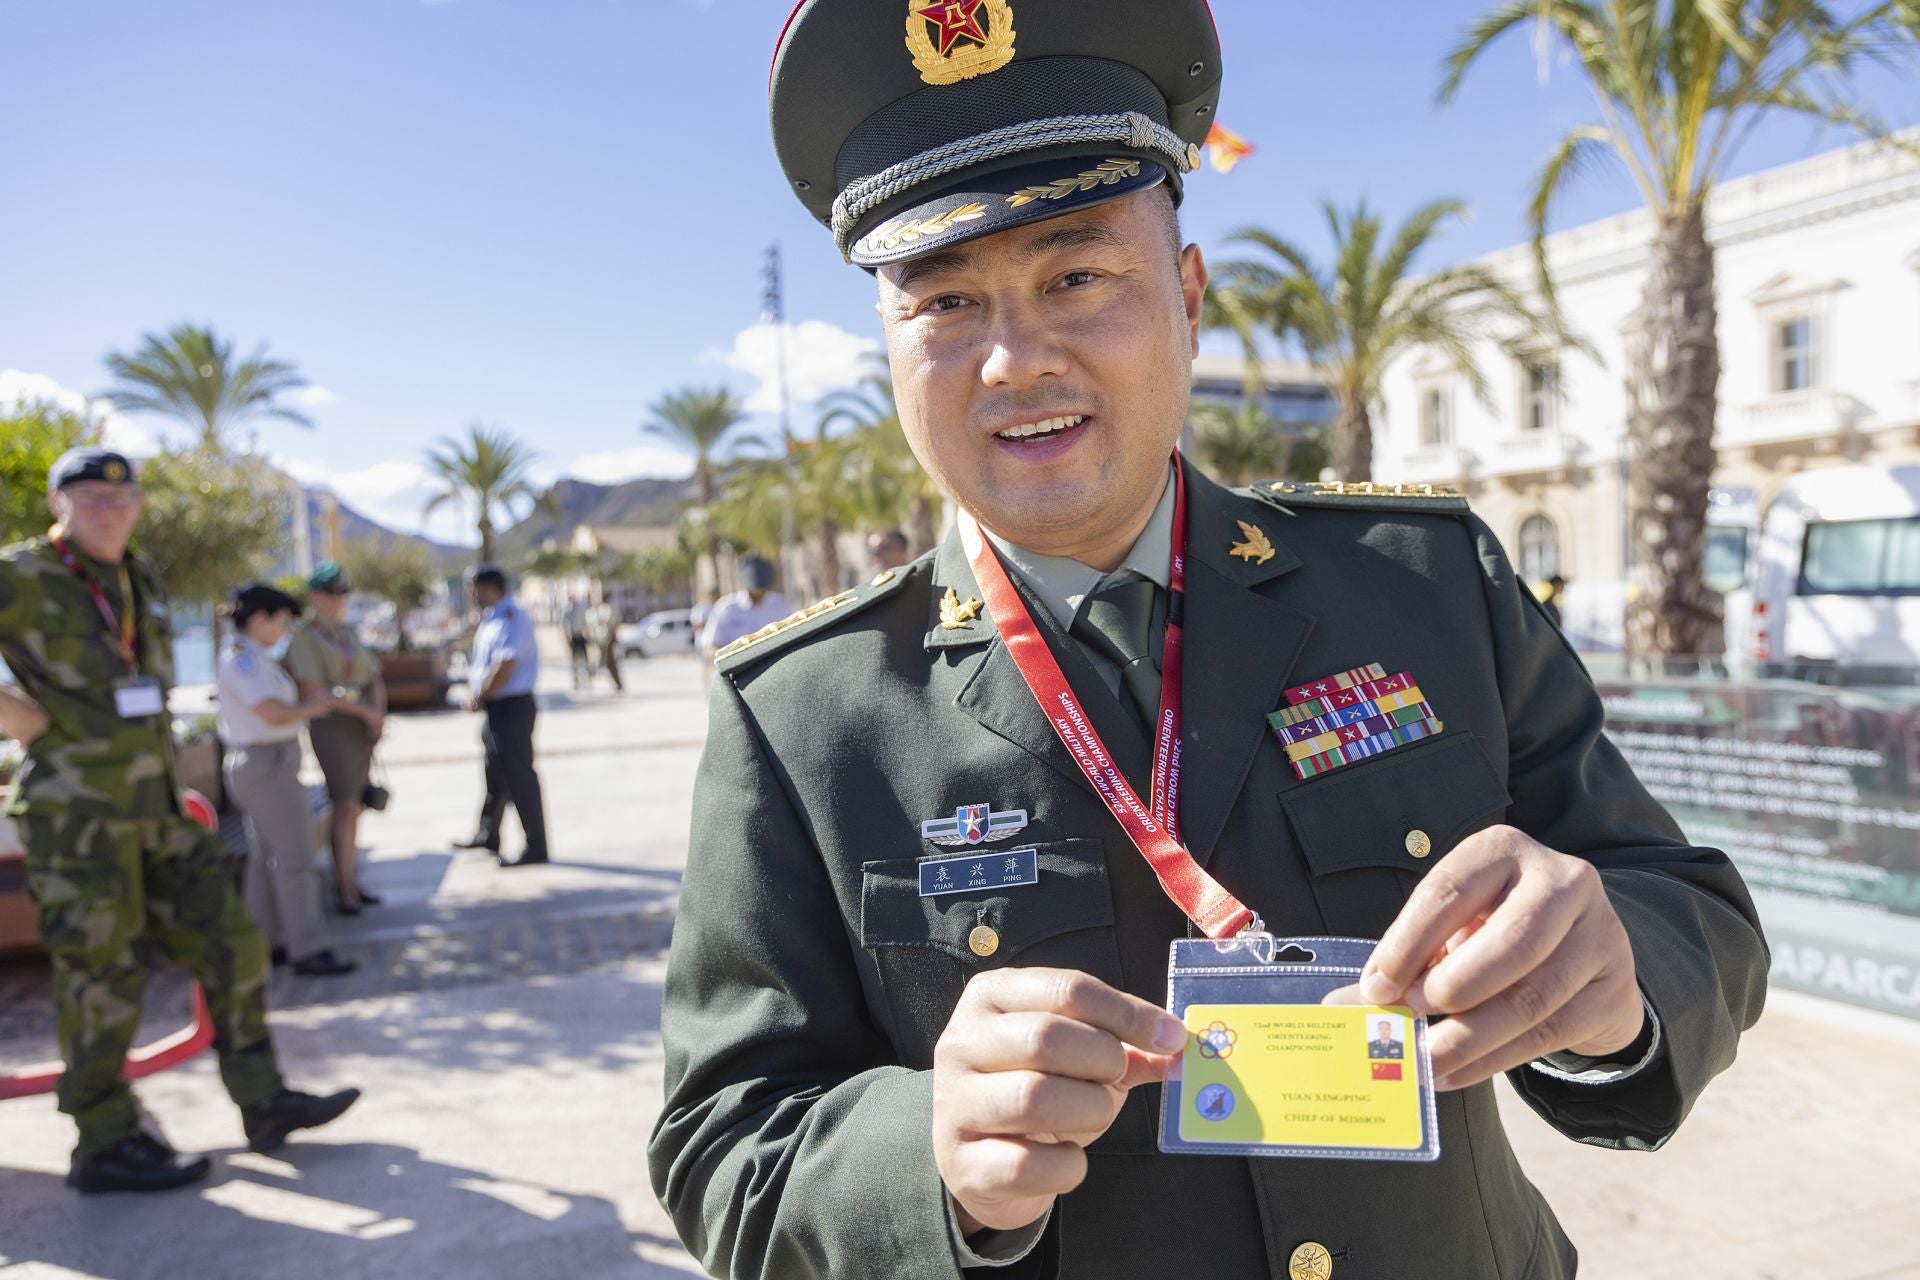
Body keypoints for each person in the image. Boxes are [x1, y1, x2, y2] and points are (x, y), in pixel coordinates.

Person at [647, 7, 1768, 1278]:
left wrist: (1616, 973)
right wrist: (928, 1157)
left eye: (1077, 277)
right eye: (946, 301)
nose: (1014, 360)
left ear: (1187, 296)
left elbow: (1687, 902)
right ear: (891, 345)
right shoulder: (802, 713)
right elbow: (721, 1146)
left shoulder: (1422, 583)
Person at [0, 448, 360, 1194]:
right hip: (78, 819)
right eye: (89, 497)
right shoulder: (23, 573)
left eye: (119, 498)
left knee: (233, 943)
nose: (107, 510)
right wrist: (19, 718)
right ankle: (103, 1142)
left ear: (137, 506)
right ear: (58, 503)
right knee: (102, 975)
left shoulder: (138, 579)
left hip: (159, 810)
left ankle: (263, 1100)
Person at [216, 583, 356, 979]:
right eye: (281, 622)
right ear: (260, 618)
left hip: (266, 762)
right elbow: (270, 711)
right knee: (295, 857)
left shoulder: (250, 656)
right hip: (268, 763)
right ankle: (308, 948)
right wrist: (311, 707)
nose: (283, 631)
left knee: (265, 859)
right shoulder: (244, 659)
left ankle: (266, 943)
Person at [283, 561, 387, 913]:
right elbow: (314, 689)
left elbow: (372, 675)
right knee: (344, 804)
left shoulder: (346, 632)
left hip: (361, 725)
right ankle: (343, 887)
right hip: (333, 726)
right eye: (330, 593)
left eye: (342, 592)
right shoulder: (304, 636)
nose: (337, 599)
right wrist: (366, 713)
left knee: (355, 806)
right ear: (313, 596)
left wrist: (378, 714)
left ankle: (352, 878)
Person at [452, 564, 549, 868]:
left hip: (511, 707)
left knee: (518, 775)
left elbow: (505, 666)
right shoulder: (493, 617)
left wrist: (480, 697)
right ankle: (488, 833)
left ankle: (536, 845)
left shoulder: (511, 617)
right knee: (495, 774)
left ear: (488, 587)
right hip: (497, 707)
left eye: (473, 588)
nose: (470, 594)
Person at [696, 556, 789, 663]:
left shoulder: (781, 606)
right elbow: (710, 646)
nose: (758, 593)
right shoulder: (727, 608)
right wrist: (730, 661)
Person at [588, 592, 625, 692]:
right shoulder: (597, 610)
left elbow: (614, 623)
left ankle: (618, 683)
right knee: (606, 661)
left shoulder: (608, 609)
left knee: (610, 662)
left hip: (609, 639)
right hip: (602, 639)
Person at [564, 592, 592, 690]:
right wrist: (567, 637)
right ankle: (576, 680)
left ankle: (588, 680)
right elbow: (565, 625)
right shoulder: (568, 609)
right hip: (574, 636)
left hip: (581, 635)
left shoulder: (581, 607)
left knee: (585, 659)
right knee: (575, 660)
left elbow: (587, 620)